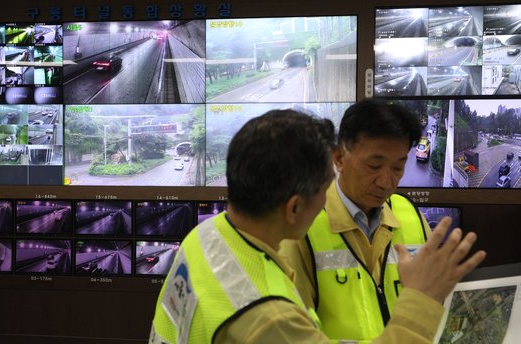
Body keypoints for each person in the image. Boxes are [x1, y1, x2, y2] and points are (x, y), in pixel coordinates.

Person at [150, 107, 486, 344]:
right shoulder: (269, 319)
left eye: (398, 167)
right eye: (326, 186)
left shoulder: (205, 236)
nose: (387, 181)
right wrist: (421, 299)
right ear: (294, 208)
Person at [280, 98, 485, 343]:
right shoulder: (303, 228)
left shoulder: (409, 215)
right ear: (339, 157)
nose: (386, 182)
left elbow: (435, 307)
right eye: (374, 165)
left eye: (398, 168)